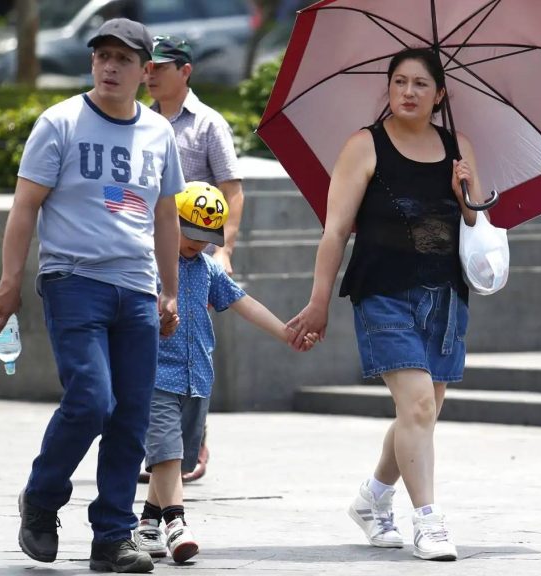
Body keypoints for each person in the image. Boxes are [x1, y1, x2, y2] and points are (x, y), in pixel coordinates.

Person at [0, 18, 185, 574]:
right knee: (93, 400)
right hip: (73, 281)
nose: (111, 67)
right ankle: (42, 499)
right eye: (103, 57)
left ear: (147, 72)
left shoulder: (158, 133)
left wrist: (169, 291)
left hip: (138, 289)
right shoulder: (60, 122)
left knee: (132, 415)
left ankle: (113, 537)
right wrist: (10, 281)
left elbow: (165, 215)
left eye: (124, 59)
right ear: (93, 63)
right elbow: (25, 206)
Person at [285, 48, 490, 562]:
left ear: (440, 95)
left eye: (421, 84)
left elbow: (476, 227)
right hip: (382, 293)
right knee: (419, 404)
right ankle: (430, 521)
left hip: (444, 296)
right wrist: (318, 303)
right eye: (399, 82)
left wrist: (465, 191)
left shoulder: (457, 146)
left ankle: (373, 498)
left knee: (422, 411)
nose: (408, 92)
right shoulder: (365, 145)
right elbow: (335, 230)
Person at [132, 182, 315, 564]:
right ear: (169, 222)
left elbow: (244, 303)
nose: (197, 244)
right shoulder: (148, 263)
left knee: (177, 460)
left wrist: (285, 332)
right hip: (155, 376)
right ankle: (176, 523)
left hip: (197, 377)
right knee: (165, 453)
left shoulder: (209, 270)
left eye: (206, 237)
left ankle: (147, 523)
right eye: (190, 234)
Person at [145, 35, 246, 483]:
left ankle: (192, 439)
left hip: (193, 255)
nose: (149, 74)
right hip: (146, 258)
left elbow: (232, 190)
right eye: (147, 67)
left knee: (190, 346)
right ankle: (159, 443)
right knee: (149, 346)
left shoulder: (208, 124)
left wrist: (223, 249)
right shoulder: (139, 123)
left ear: (185, 72)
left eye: (160, 67)